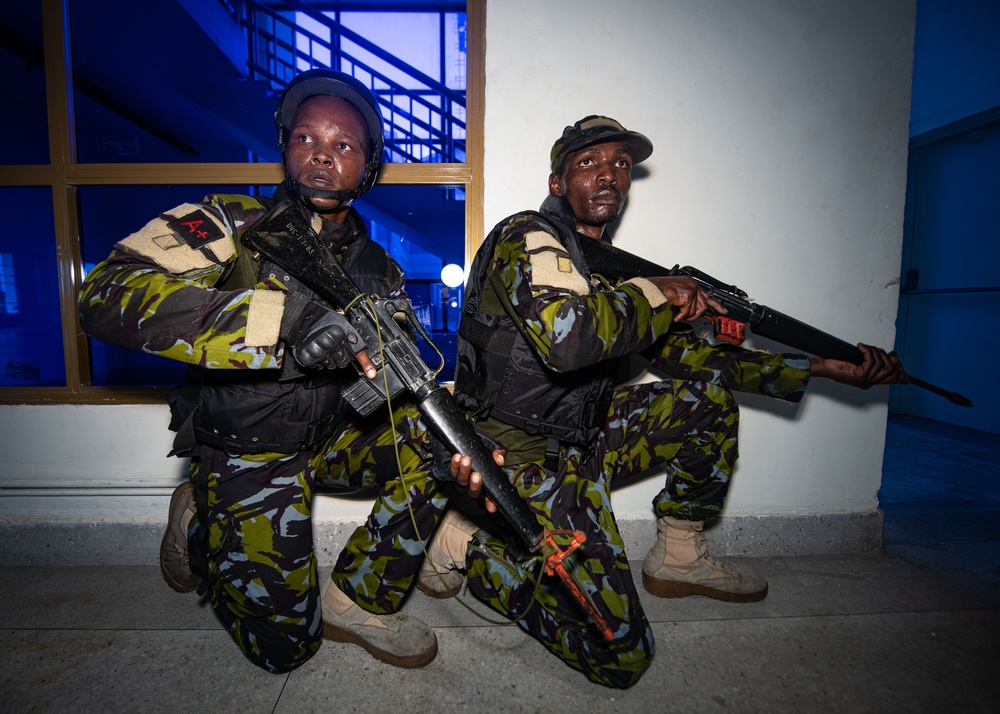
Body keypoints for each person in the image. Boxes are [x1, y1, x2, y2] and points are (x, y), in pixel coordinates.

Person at [415, 115, 903, 688]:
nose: (609, 175)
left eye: (620, 164)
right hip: (517, 459)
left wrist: (821, 367)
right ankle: (462, 541)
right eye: (589, 163)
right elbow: (572, 338)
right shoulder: (528, 238)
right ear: (557, 183)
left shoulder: (607, 271)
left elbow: (699, 361)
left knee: (706, 400)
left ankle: (678, 554)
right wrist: (659, 292)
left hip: (583, 437)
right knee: (620, 657)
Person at [78, 68, 493, 674]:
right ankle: (202, 520)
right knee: (287, 652)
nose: (322, 156)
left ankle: (359, 598)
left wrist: (454, 435)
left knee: (443, 442)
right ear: (284, 148)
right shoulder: (231, 223)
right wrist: (280, 320)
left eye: (343, 145)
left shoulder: (380, 267)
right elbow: (107, 293)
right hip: (247, 446)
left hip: (331, 434)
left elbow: (388, 380)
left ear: (369, 165)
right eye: (306, 139)